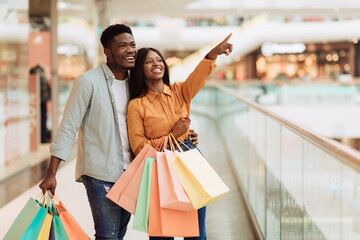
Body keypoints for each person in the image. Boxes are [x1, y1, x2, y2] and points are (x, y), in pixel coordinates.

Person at [38, 24, 199, 240]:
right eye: (122, 46)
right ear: (107, 51)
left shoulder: (137, 83)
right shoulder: (88, 82)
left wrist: (184, 135)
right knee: (108, 235)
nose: (130, 50)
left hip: (134, 171)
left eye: (133, 45)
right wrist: (51, 173)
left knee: (118, 233)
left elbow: (158, 117)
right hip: (101, 173)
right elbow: (68, 128)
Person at [127, 34, 233, 240]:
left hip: (189, 160)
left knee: (195, 230)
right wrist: (172, 136)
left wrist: (212, 54)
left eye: (158, 60)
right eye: (148, 61)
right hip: (159, 170)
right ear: (140, 69)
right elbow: (139, 148)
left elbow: (198, 76)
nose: (156, 64)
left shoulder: (179, 91)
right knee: (162, 232)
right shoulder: (136, 105)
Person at [30, 64, 51, 143]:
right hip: (39, 100)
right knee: (42, 118)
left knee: (43, 118)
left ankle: (43, 136)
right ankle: (42, 137)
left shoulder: (40, 72)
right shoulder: (39, 72)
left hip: (41, 99)